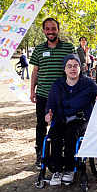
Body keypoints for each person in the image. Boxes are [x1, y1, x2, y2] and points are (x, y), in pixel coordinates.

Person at [45, 54, 97, 186]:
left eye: (75, 66)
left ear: (80, 67)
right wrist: (48, 113)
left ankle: (70, 169)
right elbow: (50, 104)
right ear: (64, 69)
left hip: (80, 119)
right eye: (69, 66)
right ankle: (57, 170)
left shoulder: (88, 83)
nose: (72, 69)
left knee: (71, 134)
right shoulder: (57, 85)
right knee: (54, 135)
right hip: (61, 118)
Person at [30, 18, 75, 167]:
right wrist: (32, 91)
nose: (50, 31)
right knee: (41, 124)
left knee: (64, 124)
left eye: (53, 28)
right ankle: (40, 154)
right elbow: (35, 71)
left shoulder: (69, 48)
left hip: (63, 96)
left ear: (58, 29)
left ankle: (62, 152)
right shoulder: (38, 49)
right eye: (47, 29)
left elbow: (75, 68)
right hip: (43, 94)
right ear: (44, 31)